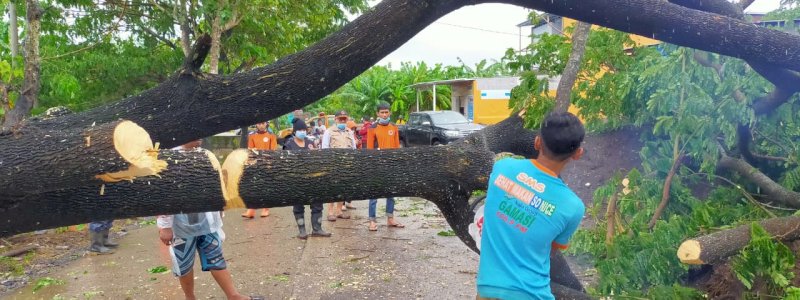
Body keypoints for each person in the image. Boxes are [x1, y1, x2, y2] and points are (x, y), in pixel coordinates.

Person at [476, 111, 586, 300]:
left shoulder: (503, 167)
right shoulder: (573, 207)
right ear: (577, 153)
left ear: (537, 142)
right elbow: (550, 249)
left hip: (487, 291)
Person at [158, 140, 262, 300]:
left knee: (216, 258)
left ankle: (233, 296)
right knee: (184, 264)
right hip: (181, 225)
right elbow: (163, 193)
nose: (200, 137)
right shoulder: (170, 158)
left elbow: (218, 185)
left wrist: (220, 211)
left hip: (208, 221)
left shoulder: (206, 155)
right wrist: (164, 226)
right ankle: (190, 297)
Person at [284, 120, 331, 239]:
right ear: (294, 131)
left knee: (317, 204)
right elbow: (284, 163)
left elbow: (318, 159)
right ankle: (302, 231)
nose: (302, 132)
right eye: (300, 130)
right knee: (298, 205)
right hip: (297, 180)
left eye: (304, 130)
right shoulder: (289, 144)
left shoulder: (311, 143)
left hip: (313, 179)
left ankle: (317, 229)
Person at [365, 103, 405, 231]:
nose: (384, 114)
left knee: (391, 194)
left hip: (391, 165)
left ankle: (390, 218)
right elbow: (369, 149)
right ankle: (372, 220)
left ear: (390, 113)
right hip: (376, 165)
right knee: (373, 194)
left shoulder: (394, 127)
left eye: (386, 112)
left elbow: (396, 147)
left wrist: (397, 164)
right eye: (382, 112)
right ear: (377, 114)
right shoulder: (372, 128)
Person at [321, 110, 357, 221]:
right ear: (335, 119)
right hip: (333, 165)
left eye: (344, 119)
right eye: (340, 119)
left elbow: (354, 148)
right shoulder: (329, 132)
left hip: (347, 165)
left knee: (343, 188)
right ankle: (330, 212)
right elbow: (325, 148)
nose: (342, 121)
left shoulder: (349, 131)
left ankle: (339, 211)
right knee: (332, 188)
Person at [241, 121, 278, 219]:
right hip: (255, 164)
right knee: (253, 186)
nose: (261, 125)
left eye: (262, 123)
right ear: (256, 125)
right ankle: (251, 209)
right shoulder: (252, 136)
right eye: (259, 124)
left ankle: (265, 208)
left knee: (265, 187)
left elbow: (273, 151)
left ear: (266, 124)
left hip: (266, 164)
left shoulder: (271, 136)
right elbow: (250, 150)